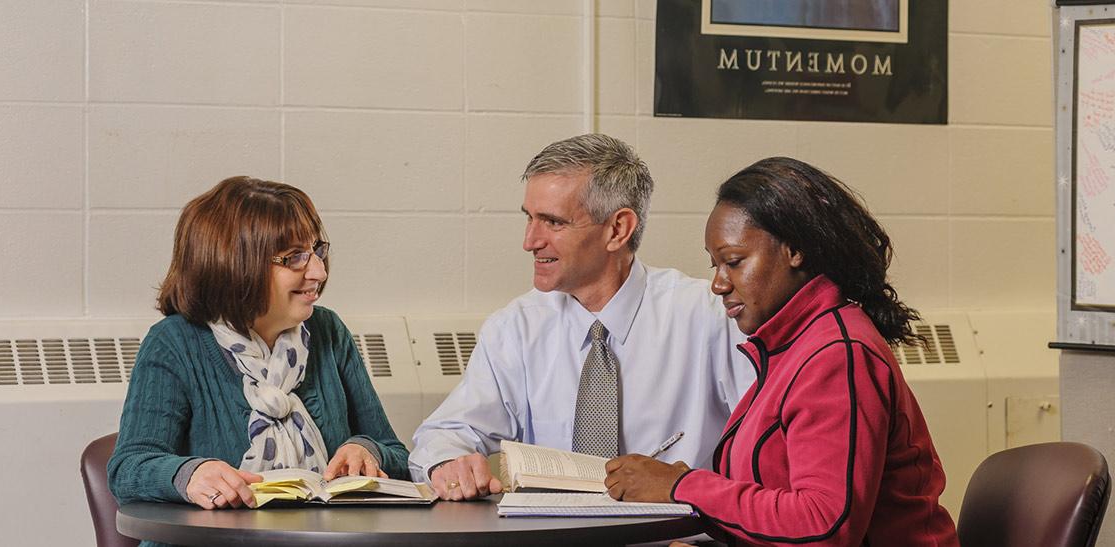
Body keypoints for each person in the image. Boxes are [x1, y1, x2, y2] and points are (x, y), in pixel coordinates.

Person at [603, 157, 959, 546]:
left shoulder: (838, 354)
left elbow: (823, 526)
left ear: (796, 250)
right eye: (715, 265)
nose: (718, 284)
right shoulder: (795, 346)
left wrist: (683, 486)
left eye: (734, 262)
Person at [409, 134, 754, 500]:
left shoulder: (711, 317)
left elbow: (769, 448)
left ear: (618, 229)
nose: (530, 241)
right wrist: (447, 461)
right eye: (529, 218)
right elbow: (443, 434)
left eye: (553, 222)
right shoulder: (516, 328)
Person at [108, 177, 409, 519]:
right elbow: (128, 469)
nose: (319, 272)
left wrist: (365, 449)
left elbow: (394, 452)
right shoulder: (174, 343)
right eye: (295, 257)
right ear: (235, 264)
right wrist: (190, 474)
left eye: (317, 251)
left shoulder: (328, 331)